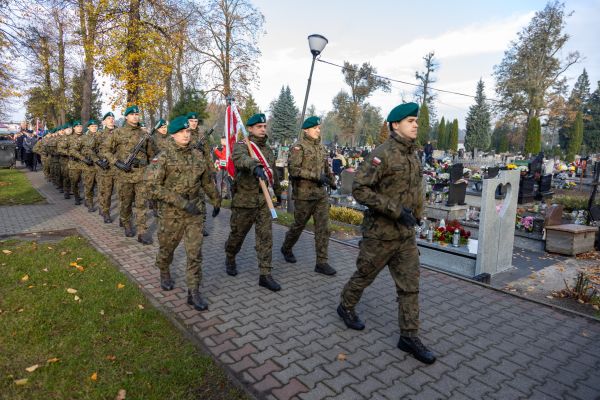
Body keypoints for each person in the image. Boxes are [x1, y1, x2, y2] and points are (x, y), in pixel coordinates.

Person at [337, 102, 436, 365]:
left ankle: (409, 335)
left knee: (410, 287)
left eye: (416, 121)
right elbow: (360, 189)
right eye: (410, 121)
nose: (416, 124)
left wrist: (418, 214)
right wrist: (394, 210)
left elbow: (415, 190)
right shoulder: (382, 154)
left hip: (404, 235)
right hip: (380, 234)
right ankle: (345, 306)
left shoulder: (413, 155)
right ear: (396, 125)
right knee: (364, 275)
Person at [146, 115, 221, 311]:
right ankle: (164, 270)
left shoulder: (197, 155)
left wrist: (216, 198)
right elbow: (152, 187)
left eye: (188, 131)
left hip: (194, 212)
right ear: (173, 134)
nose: (186, 135)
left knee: (195, 253)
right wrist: (180, 202)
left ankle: (193, 292)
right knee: (167, 249)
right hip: (171, 214)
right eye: (181, 132)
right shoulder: (162, 157)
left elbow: (205, 181)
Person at [224, 113, 282, 292]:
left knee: (265, 237)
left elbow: (273, 173)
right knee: (237, 235)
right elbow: (240, 160)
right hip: (244, 201)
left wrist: (278, 194)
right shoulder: (242, 146)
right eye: (259, 127)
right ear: (250, 128)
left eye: (264, 126)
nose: (263, 129)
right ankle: (230, 256)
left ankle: (265, 275)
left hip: (263, 201)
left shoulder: (268, 150)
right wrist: (254, 166)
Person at [281, 116, 336, 275]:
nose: (319, 130)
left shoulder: (320, 147)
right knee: (299, 225)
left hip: (320, 194)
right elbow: (294, 170)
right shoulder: (299, 147)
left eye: (319, 128)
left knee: (323, 228)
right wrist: (316, 176)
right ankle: (286, 247)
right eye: (315, 128)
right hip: (304, 195)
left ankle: (321, 262)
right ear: (306, 130)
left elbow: (325, 168)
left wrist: (331, 180)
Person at [101, 105, 155, 243]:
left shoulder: (145, 134)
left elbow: (151, 155)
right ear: (126, 117)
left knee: (141, 204)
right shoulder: (117, 133)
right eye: (132, 114)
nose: (135, 116)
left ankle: (142, 232)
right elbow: (105, 150)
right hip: (124, 174)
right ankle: (126, 222)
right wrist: (117, 163)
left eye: (137, 114)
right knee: (125, 203)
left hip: (141, 174)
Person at [187, 111, 213, 236]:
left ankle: (201, 225)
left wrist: (211, 170)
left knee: (201, 200)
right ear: (187, 122)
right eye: (191, 121)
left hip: (201, 173)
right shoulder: (183, 134)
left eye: (196, 121)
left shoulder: (202, 135)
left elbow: (208, 155)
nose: (194, 123)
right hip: (186, 173)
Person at [94, 112, 117, 223]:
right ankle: (106, 212)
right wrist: (97, 161)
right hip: (105, 168)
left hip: (119, 167)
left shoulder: (120, 132)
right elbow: (88, 149)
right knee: (106, 192)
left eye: (113, 118)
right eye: (108, 118)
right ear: (104, 121)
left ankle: (124, 217)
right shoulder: (99, 135)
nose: (111, 120)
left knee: (122, 194)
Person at [80, 120, 99, 212]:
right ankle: (89, 202)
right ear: (88, 127)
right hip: (89, 166)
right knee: (89, 186)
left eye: (95, 126)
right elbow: (79, 150)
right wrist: (84, 158)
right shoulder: (84, 138)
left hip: (100, 166)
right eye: (92, 126)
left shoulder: (101, 136)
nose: (94, 128)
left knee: (101, 187)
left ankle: (103, 206)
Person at [68, 121, 86, 205]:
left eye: (80, 126)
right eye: (77, 126)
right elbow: (63, 148)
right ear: (74, 128)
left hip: (85, 163)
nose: (79, 127)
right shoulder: (70, 138)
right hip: (74, 164)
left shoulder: (86, 137)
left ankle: (88, 198)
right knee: (75, 181)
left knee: (87, 182)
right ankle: (76, 197)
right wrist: (69, 153)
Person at [56, 123, 73, 198]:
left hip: (75, 161)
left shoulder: (75, 137)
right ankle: (66, 191)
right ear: (64, 130)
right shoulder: (61, 138)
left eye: (70, 128)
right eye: (67, 129)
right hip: (65, 160)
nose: (69, 130)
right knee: (66, 176)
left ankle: (74, 191)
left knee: (74, 177)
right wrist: (69, 153)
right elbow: (59, 150)